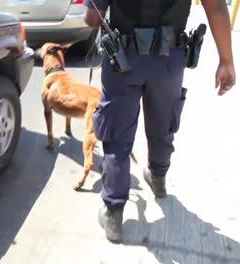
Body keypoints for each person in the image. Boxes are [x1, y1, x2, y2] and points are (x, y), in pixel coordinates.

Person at [84, 0, 236, 243]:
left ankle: (113, 212)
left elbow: (93, 18)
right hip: (169, 58)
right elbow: (216, 6)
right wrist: (226, 60)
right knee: (163, 123)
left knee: (117, 134)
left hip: (123, 59)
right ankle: (158, 177)